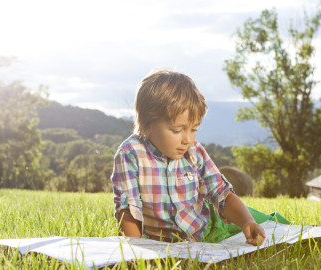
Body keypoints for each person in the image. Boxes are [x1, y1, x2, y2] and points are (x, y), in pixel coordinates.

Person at [111, 69, 289, 245]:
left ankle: (298, 229)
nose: (187, 139)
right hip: (166, 241)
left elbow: (221, 193)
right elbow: (128, 209)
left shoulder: (195, 152)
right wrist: (135, 252)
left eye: (193, 129)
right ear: (148, 124)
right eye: (177, 130)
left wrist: (247, 221)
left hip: (211, 226)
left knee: (267, 223)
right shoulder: (130, 154)